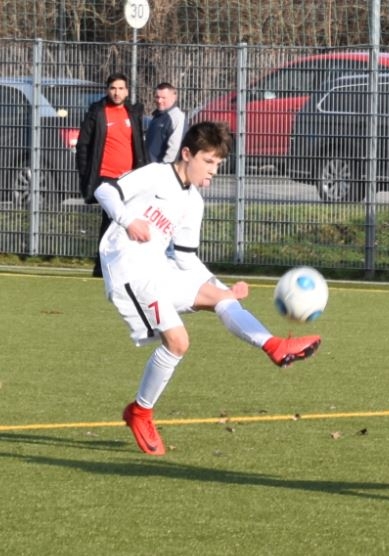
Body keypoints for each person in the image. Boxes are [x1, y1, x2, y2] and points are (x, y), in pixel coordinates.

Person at [93, 121, 321, 456]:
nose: (213, 170)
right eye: (209, 161)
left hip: (156, 268)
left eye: (218, 163)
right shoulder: (156, 175)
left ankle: (274, 345)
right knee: (178, 342)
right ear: (187, 154)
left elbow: (186, 259)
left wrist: (224, 289)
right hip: (128, 269)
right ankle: (140, 413)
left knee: (218, 296)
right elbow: (104, 190)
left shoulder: (193, 202)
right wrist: (128, 221)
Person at [76, 73, 147, 277]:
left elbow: (138, 146)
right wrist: (86, 174)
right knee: (110, 222)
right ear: (107, 90)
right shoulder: (97, 112)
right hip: (106, 178)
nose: (117, 92)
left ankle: (126, 265)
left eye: (121, 88)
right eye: (113, 88)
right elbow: (83, 145)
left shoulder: (132, 113)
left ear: (127, 91)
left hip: (129, 179)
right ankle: (102, 267)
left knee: (129, 221)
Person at [145, 82, 186, 163]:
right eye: (157, 97)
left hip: (162, 168)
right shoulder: (158, 115)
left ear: (174, 98)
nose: (159, 101)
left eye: (163, 98)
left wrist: (164, 168)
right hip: (150, 166)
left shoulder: (177, 117)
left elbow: (174, 148)